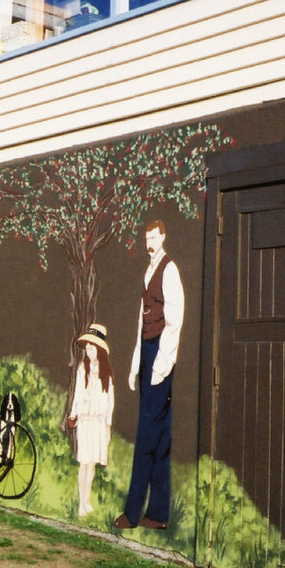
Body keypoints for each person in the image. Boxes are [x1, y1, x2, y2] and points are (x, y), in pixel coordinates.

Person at [114, 220, 184, 531]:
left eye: (153, 236)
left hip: (160, 355)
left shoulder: (169, 269)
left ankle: (132, 512)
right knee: (160, 437)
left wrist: (160, 365)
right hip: (148, 353)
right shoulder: (149, 268)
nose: (149, 242)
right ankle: (157, 513)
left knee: (146, 436)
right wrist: (135, 365)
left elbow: (174, 320)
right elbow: (141, 324)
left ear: (163, 236)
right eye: (146, 237)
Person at [67, 323, 115, 517]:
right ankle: (80, 503)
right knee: (84, 462)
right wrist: (73, 413)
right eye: (87, 347)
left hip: (98, 421)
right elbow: (78, 392)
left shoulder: (106, 373)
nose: (89, 351)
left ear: (100, 350)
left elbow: (110, 398)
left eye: (92, 347)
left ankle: (87, 501)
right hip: (85, 420)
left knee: (92, 463)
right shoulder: (82, 369)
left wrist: (107, 421)